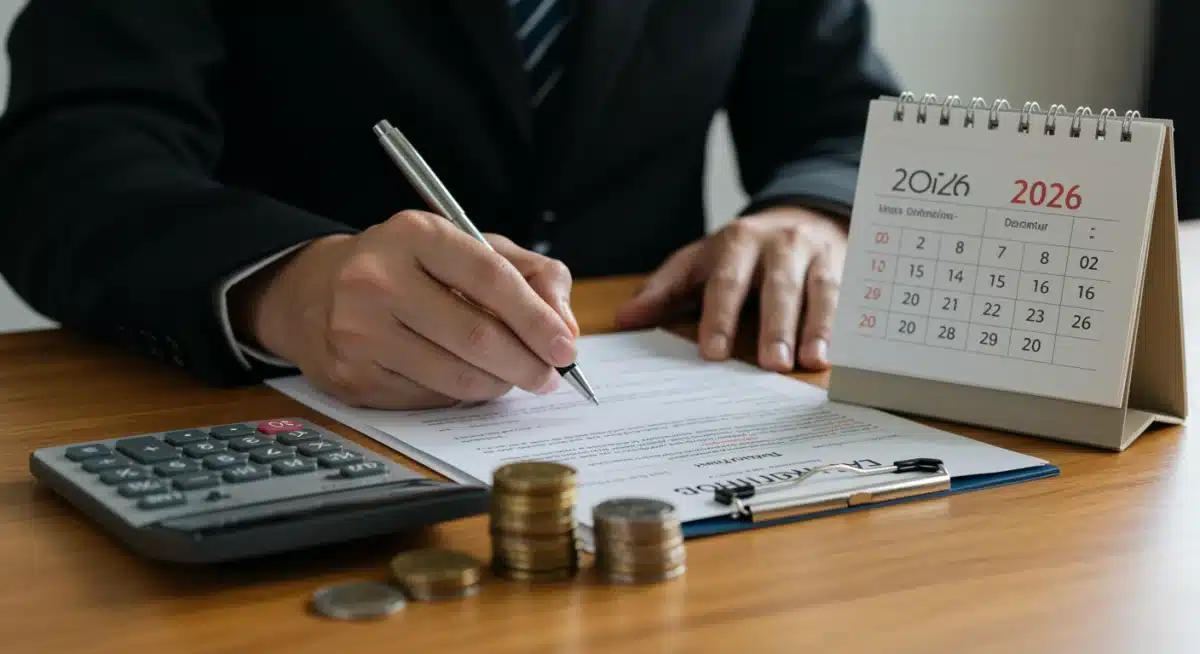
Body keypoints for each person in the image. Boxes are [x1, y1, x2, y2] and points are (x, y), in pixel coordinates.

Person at [0, 0, 898, 409]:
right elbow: (61, 162)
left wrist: (814, 212)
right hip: (282, 435)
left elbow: (844, 119)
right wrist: (282, 281)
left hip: (669, 412)